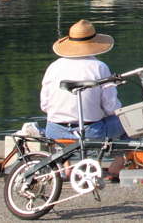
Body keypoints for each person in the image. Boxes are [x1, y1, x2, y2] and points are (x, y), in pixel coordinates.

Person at [40, 19, 125, 176]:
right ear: (94, 44)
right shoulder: (99, 67)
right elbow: (112, 108)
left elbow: (45, 106)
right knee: (130, 120)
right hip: (90, 132)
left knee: (62, 123)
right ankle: (117, 164)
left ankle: (66, 165)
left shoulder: (53, 67)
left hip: (54, 132)